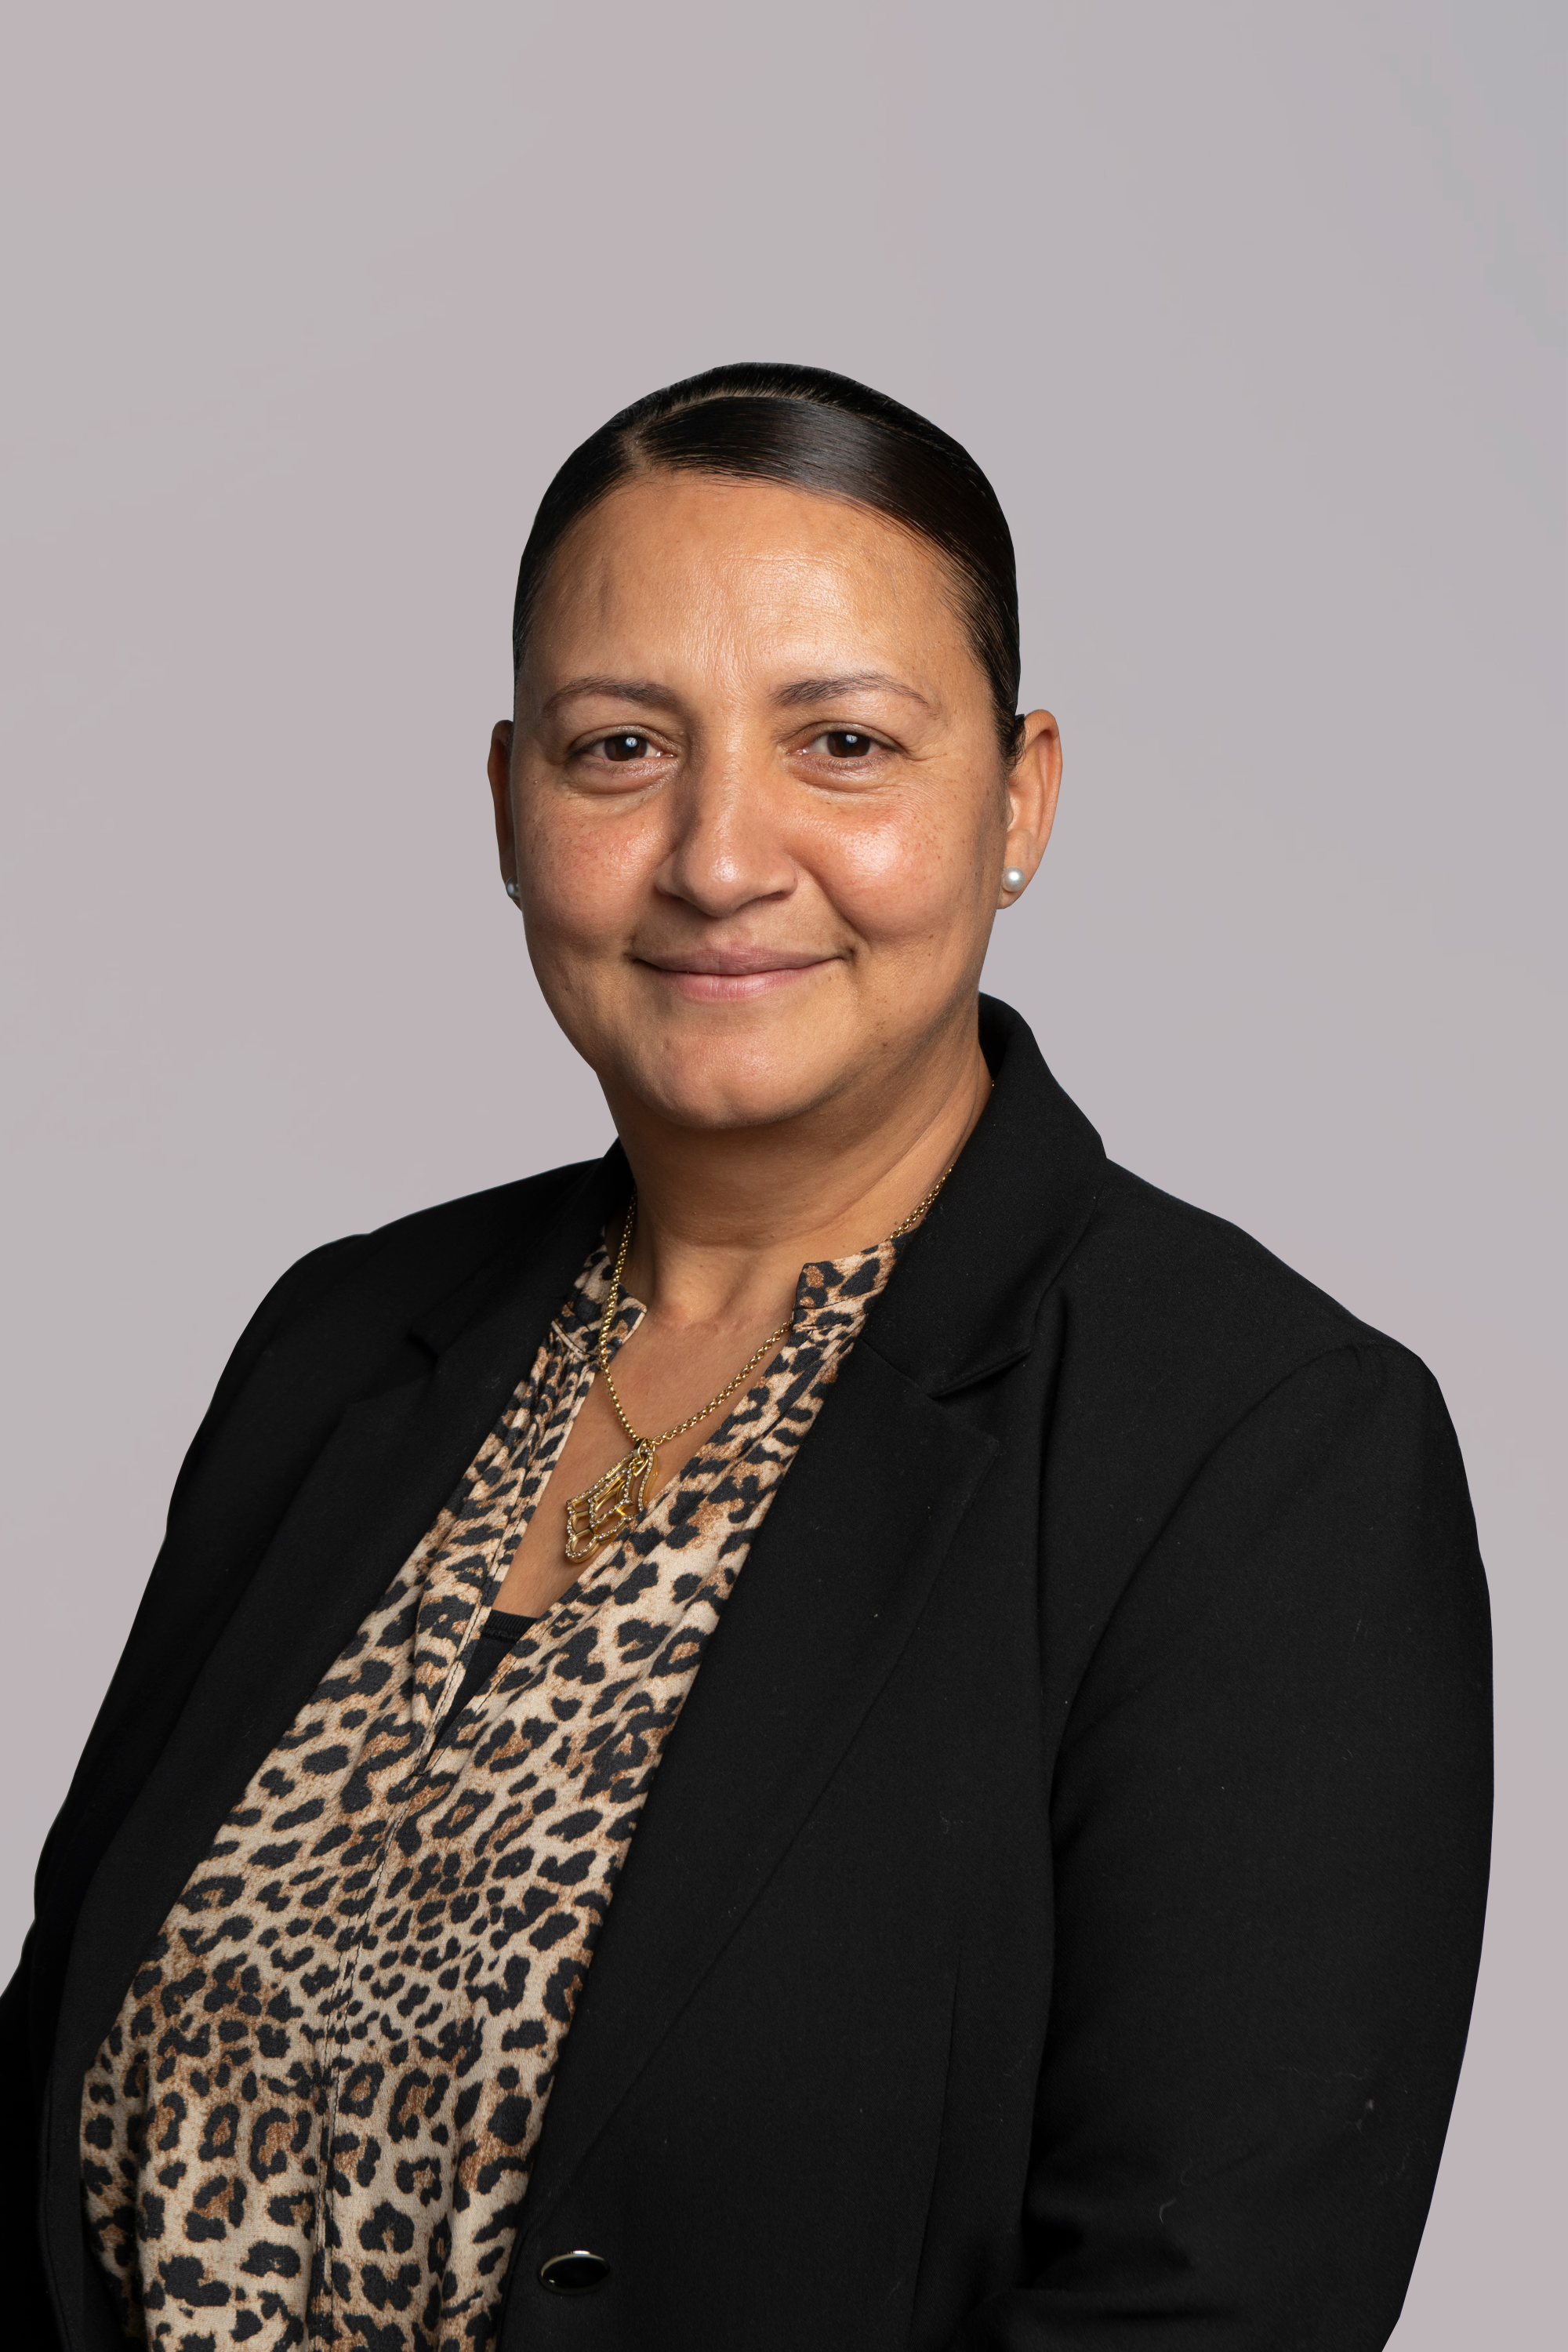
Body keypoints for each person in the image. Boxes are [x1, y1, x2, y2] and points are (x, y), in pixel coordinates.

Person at [5, 363, 1491, 2352]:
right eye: (619, 747)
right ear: (509, 804)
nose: (717, 856)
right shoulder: (339, 1344)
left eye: (842, 744)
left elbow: (1204, 2312)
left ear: (1020, 797)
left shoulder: (1260, 1453)